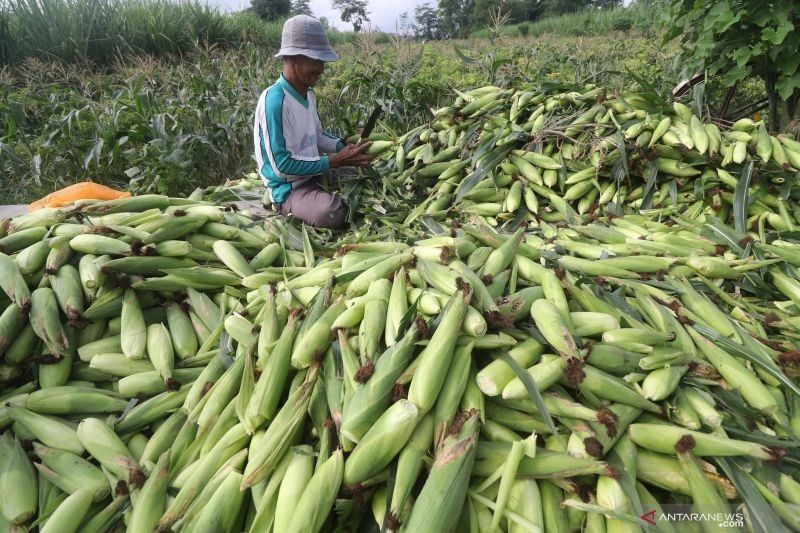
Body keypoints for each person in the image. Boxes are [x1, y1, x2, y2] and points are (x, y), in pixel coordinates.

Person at [253, 15, 374, 229]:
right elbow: (282, 166)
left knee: (367, 174)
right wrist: (334, 161)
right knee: (331, 212)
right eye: (315, 60)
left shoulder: (308, 94)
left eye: (322, 61)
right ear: (292, 58)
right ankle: (288, 205)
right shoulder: (275, 102)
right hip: (291, 188)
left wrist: (343, 147)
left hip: (315, 173)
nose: (321, 68)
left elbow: (316, 134)